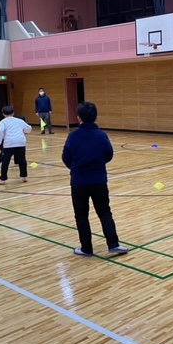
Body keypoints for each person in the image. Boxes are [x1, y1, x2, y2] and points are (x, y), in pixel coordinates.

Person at [62, 101, 128, 256]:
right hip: (99, 180)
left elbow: (66, 157)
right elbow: (109, 154)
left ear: (79, 117)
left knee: (81, 215)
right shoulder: (101, 135)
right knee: (104, 212)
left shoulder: (73, 136)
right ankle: (113, 244)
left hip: (79, 182)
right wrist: (97, 165)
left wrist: (76, 168)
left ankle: (86, 248)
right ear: (96, 116)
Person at [0, 105, 32, 185]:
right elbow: (29, 128)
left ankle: (3, 179)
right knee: (22, 160)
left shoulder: (3, 122)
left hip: (9, 143)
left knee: (5, 161)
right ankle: (24, 176)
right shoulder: (19, 121)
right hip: (20, 142)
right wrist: (25, 132)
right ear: (13, 113)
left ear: (3, 114)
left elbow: (0, 132)